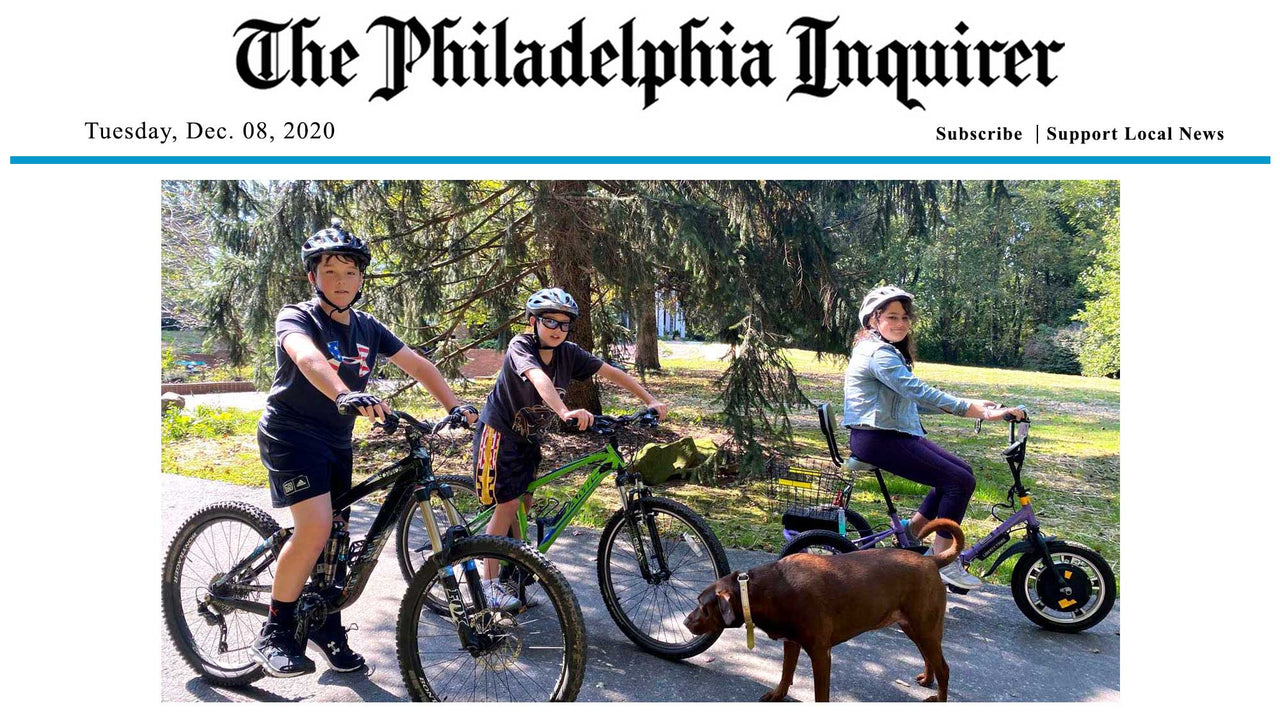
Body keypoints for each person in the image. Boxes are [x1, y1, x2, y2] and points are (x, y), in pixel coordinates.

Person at [251, 220, 478, 677]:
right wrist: (344, 393)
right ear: (312, 277)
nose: (341, 281)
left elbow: (418, 365)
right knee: (316, 527)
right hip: (290, 435)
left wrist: (455, 405)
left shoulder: (368, 327)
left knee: (337, 536)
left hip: (336, 438)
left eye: (350, 272)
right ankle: (275, 631)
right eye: (329, 272)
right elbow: (306, 357)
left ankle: (326, 624)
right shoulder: (297, 317)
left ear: (360, 279)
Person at [473, 288, 668, 610]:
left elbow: (611, 372)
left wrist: (650, 399)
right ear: (533, 321)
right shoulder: (521, 346)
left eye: (564, 324)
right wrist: (564, 411)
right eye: (550, 321)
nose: (557, 329)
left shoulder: (569, 353)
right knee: (507, 504)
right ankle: (487, 587)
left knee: (524, 503)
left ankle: (512, 571)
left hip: (528, 439)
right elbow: (538, 378)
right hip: (499, 434)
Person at [843, 285, 1026, 590]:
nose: (901, 323)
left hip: (889, 434)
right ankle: (943, 561)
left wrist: (974, 406)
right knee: (958, 481)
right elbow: (919, 392)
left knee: (962, 472)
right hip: (879, 439)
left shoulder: (881, 350)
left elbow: (911, 401)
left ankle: (912, 533)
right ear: (873, 320)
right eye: (892, 317)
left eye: (904, 317)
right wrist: (974, 410)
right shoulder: (878, 354)